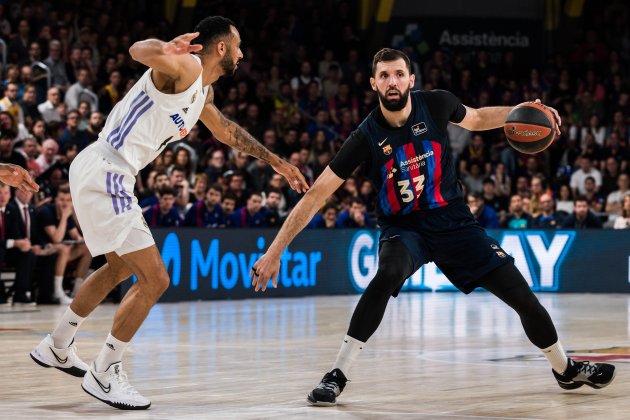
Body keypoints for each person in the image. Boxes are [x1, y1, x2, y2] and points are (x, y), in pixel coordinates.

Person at [250, 48, 615, 406]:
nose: (392, 82)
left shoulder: (437, 104)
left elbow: (477, 118)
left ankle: (565, 369)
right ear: (373, 84)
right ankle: (336, 376)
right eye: (383, 76)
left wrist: (526, 112)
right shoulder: (365, 137)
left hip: (454, 222)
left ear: (411, 79)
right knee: (387, 273)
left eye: (398, 74)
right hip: (404, 228)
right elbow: (315, 196)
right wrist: (274, 251)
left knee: (520, 293)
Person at [30, 16, 308, 410]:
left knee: (119, 268)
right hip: (108, 168)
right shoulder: (187, 66)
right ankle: (105, 372)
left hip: (104, 171)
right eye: (239, 45)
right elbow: (137, 51)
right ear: (223, 48)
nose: (243, 53)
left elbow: (228, 132)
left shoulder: (202, 93)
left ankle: (57, 343)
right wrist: (163, 47)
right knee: (156, 278)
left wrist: (276, 162)